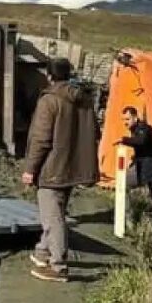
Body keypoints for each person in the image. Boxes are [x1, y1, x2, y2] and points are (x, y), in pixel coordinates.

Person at [22, 58, 99, 283]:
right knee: (57, 212)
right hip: (72, 166)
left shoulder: (50, 100)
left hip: (52, 168)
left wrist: (30, 168)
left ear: (49, 75)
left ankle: (58, 266)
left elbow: (41, 139)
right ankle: (42, 252)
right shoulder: (83, 99)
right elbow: (94, 132)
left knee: (53, 217)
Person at [117, 107, 152, 219]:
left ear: (135, 118)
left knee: (122, 183)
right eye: (123, 120)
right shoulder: (140, 129)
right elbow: (144, 147)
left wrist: (124, 140)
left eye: (127, 119)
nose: (125, 123)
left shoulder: (143, 128)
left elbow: (141, 141)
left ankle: (127, 218)